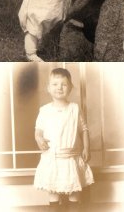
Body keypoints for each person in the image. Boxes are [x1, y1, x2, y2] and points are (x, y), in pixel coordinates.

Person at [34, 68, 94, 212]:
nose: (59, 87)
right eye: (55, 84)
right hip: (52, 158)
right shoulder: (45, 110)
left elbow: (84, 129)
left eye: (64, 84)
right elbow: (38, 131)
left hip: (71, 159)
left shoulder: (74, 108)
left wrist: (87, 148)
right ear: (48, 88)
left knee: (74, 193)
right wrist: (39, 139)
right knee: (53, 192)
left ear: (71, 88)